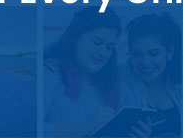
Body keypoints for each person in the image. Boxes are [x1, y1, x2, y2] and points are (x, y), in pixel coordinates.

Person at [44, 7, 151, 137]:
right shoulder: (50, 75)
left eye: (109, 47)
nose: (103, 52)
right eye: (97, 42)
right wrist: (85, 127)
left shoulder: (115, 87)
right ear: (75, 38)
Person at [121, 13, 181, 136]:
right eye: (137, 54)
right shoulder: (118, 87)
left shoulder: (179, 84)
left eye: (153, 53)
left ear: (170, 51)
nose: (145, 62)